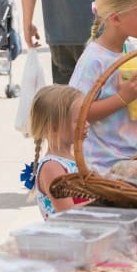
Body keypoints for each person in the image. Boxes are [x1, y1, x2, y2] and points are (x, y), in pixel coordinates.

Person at [68, 0, 137, 172]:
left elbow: (129, 98)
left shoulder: (128, 49)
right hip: (100, 164)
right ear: (116, 19)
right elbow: (78, 111)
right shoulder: (94, 59)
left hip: (129, 158)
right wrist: (123, 98)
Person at [23, 84, 90, 218]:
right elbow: (68, 213)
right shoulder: (52, 167)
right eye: (79, 120)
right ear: (54, 127)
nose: (87, 124)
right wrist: (106, 202)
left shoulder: (74, 158)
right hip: (69, 231)